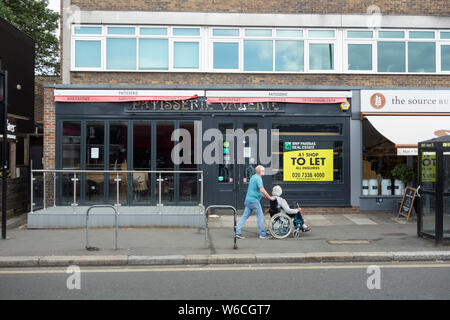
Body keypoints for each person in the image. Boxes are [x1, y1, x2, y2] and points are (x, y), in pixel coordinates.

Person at [235, 165, 274, 239]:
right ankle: (262, 234)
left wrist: (262, 195)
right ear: (259, 171)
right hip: (254, 201)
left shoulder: (253, 177)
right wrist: (270, 197)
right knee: (260, 216)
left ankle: (238, 232)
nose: (264, 171)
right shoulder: (258, 178)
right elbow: (262, 189)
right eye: (263, 170)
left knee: (244, 217)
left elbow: (254, 189)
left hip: (248, 200)